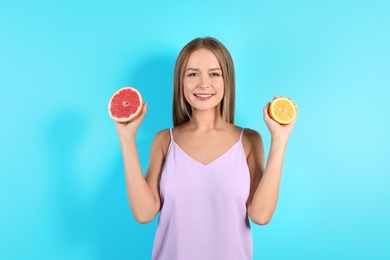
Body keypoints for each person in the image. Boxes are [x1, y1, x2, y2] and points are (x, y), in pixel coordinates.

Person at [114, 37, 297, 260]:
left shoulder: (249, 140)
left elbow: (260, 215)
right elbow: (144, 214)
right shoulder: (164, 141)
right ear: (180, 81)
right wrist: (126, 137)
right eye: (192, 74)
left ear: (227, 80)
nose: (203, 83)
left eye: (214, 73)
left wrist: (279, 139)